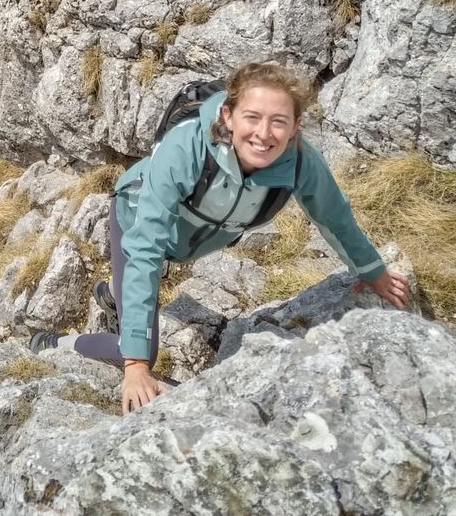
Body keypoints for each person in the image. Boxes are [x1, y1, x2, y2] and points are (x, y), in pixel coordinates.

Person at [30, 61, 410, 415]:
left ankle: (113, 293)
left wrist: (371, 270)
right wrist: (136, 365)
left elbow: (335, 217)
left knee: (135, 295)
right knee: (138, 345)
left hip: (190, 241)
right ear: (228, 116)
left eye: (279, 121)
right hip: (136, 222)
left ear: (296, 126)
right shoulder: (186, 148)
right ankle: (58, 344)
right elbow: (145, 249)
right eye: (252, 117)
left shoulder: (300, 163)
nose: (264, 134)